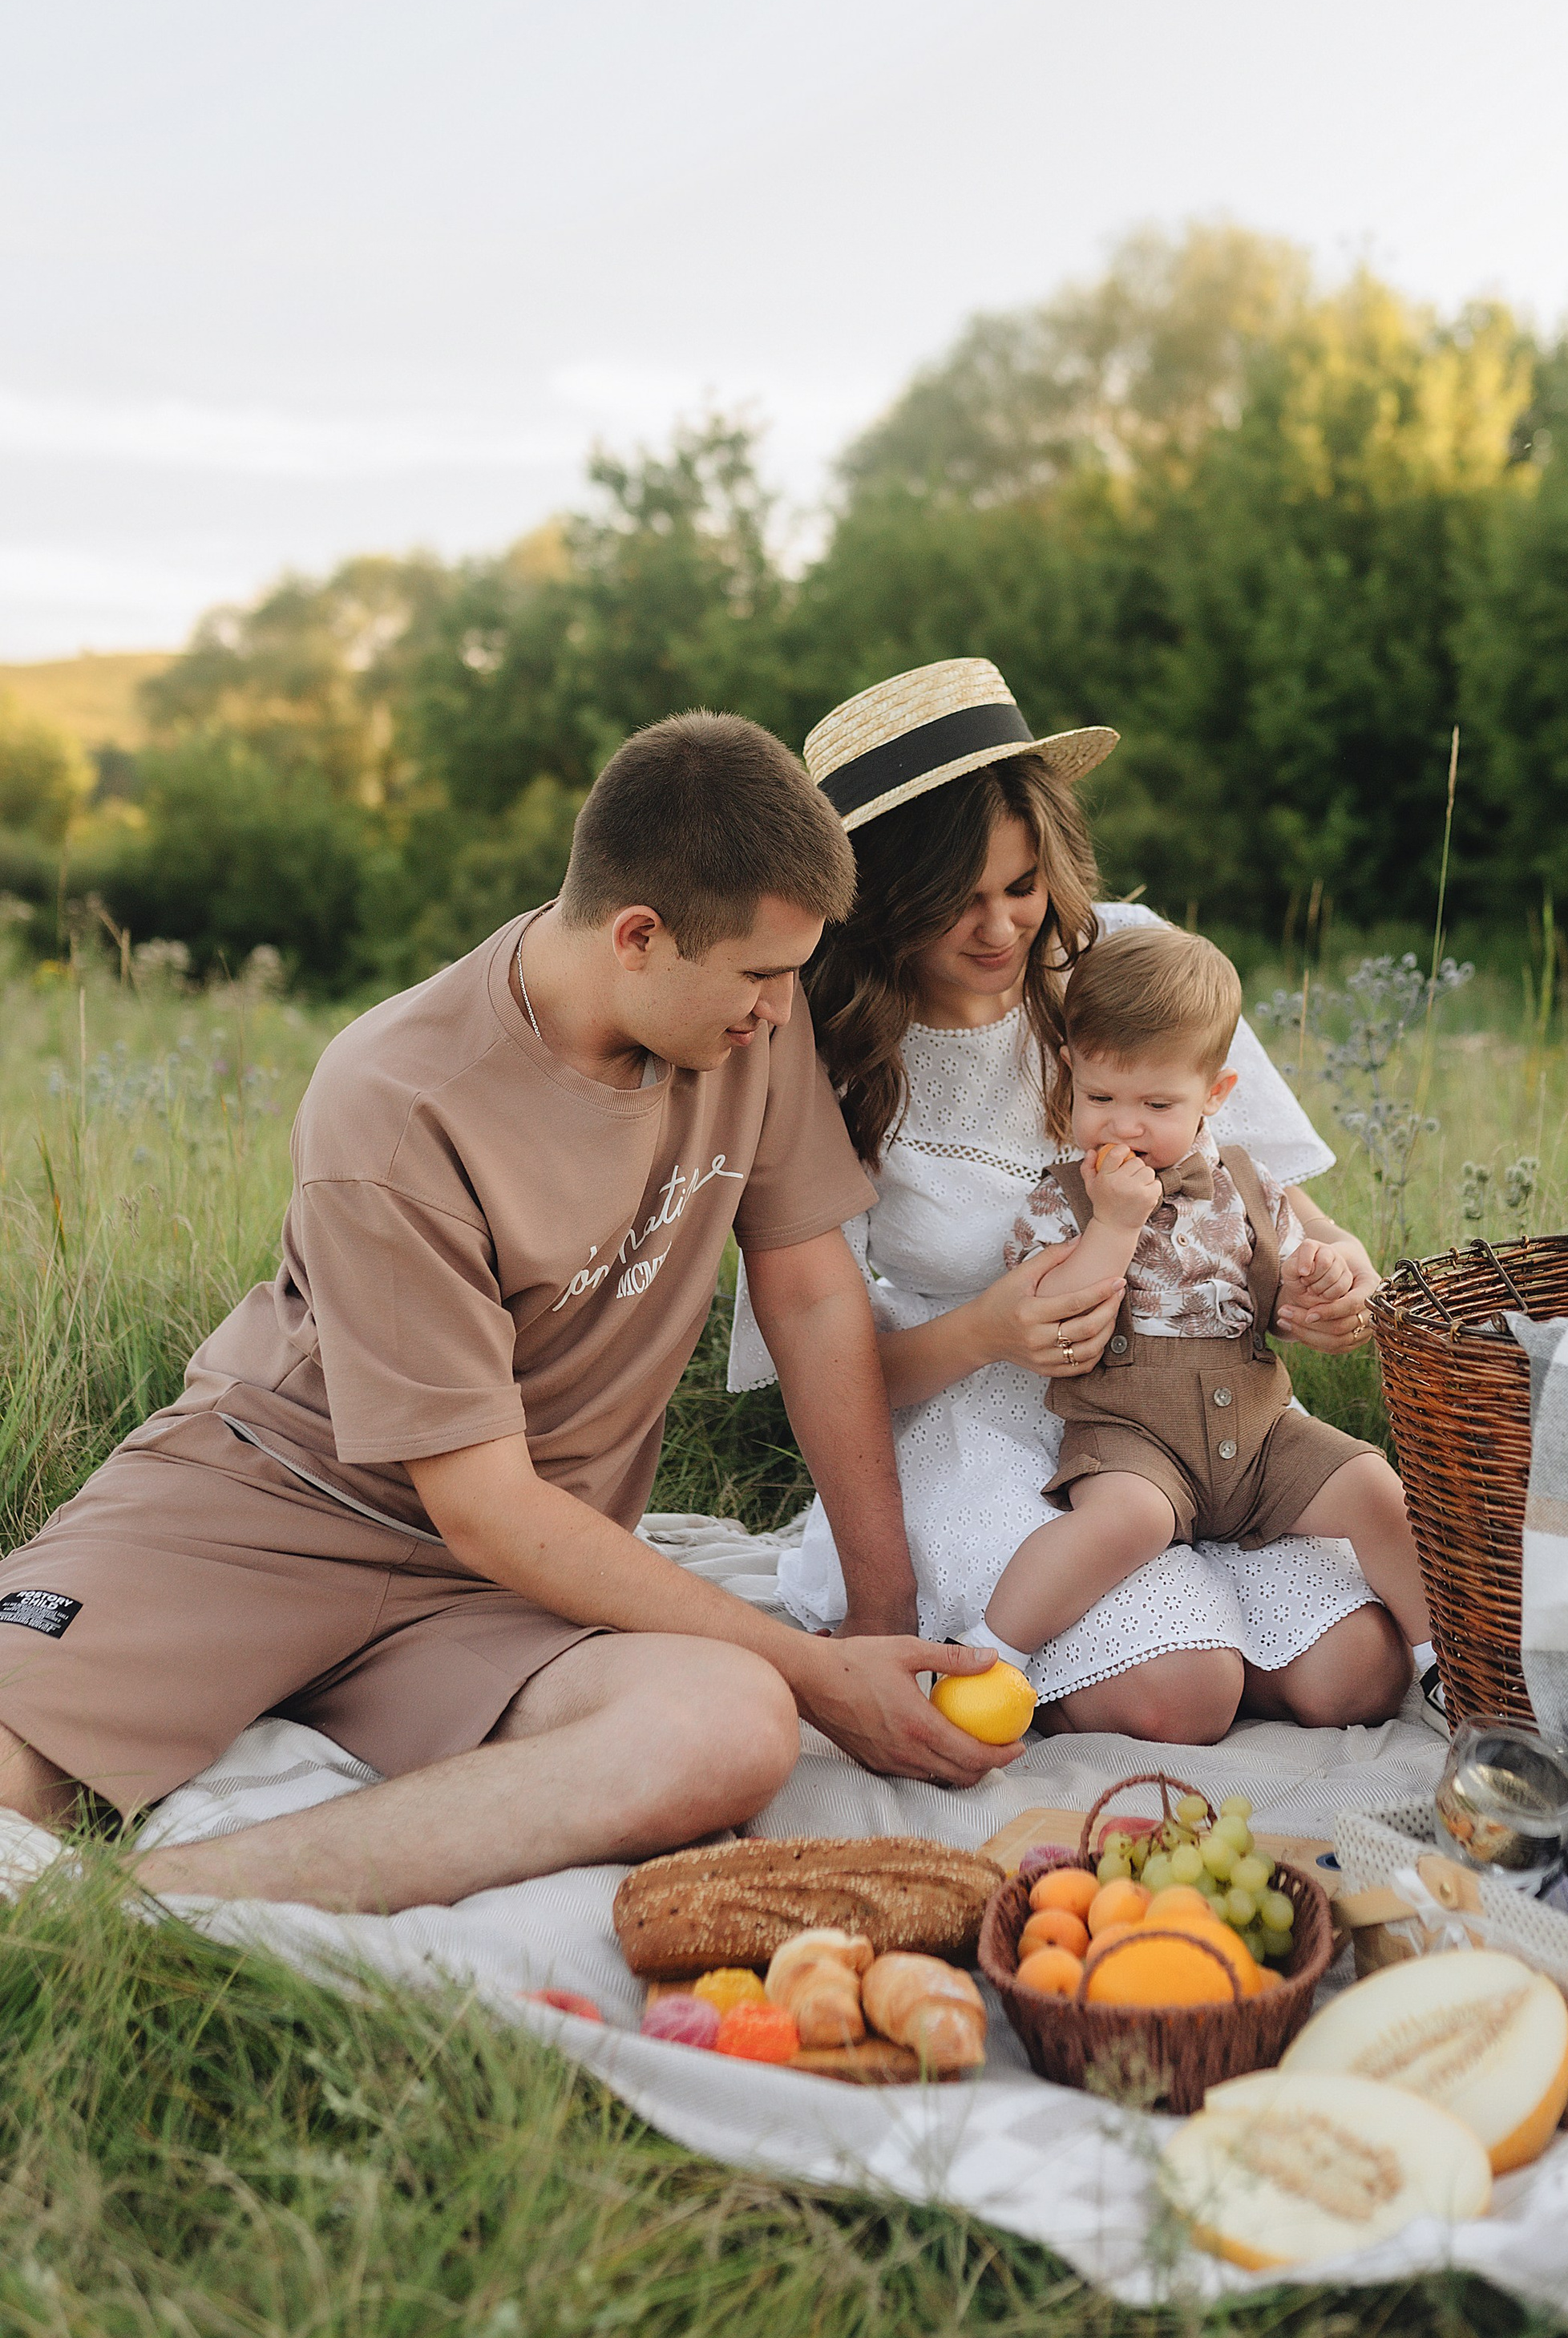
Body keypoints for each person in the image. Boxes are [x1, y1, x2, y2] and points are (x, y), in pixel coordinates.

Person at [0, 712, 1017, 1915]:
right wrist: (816, 1668)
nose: (783, 1011)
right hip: (267, 1505)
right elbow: (479, 1500)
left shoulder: (745, 1021)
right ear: (638, 935)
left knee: (734, 1726)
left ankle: (136, 1912)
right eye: (759, 973)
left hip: (515, 1585)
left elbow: (807, 1291)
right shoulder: (395, 1099)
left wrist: (872, 1621)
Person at [751, 657, 1414, 1744]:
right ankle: (1128, 1642)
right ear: (875, 897)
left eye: (1022, 885)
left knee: (1357, 1674)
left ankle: (1197, 1613)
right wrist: (983, 1330)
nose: (1002, 927)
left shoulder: (1129, 957)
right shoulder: (828, 1057)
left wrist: (1330, 1283)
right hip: (983, 1424)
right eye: (954, 900)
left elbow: (1278, 1205)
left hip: (1205, 1408)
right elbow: (815, 1362)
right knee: (1184, 1692)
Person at [978, 925, 1425, 1673]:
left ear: (1214, 1095)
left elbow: (1282, 1296)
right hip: (1130, 1438)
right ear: (1069, 1074)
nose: (1123, 1124)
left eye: (1156, 1102)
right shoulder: (1060, 1203)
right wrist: (1115, 1223)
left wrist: (1313, 1280)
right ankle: (988, 1656)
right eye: (1099, 1096)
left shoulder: (1250, 1189)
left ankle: (1443, 1659)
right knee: (1124, 1523)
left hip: (1256, 1433)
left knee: (1375, 1486)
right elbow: (1053, 1310)